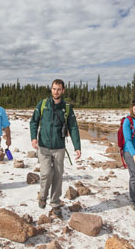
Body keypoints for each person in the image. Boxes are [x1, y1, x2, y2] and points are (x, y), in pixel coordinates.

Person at [29, 79, 81, 218]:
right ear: (51, 89)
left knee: (58, 175)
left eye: (59, 89)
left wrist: (77, 146)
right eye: (54, 89)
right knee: (46, 173)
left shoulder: (67, 108)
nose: (56, 91)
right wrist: (33, 138)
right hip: (43, 146)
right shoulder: (43, 104)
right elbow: (34, 122)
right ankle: (42, 196)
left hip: (59, 147)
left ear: (63, 90)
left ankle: (55, 202)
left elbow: (73, 127)